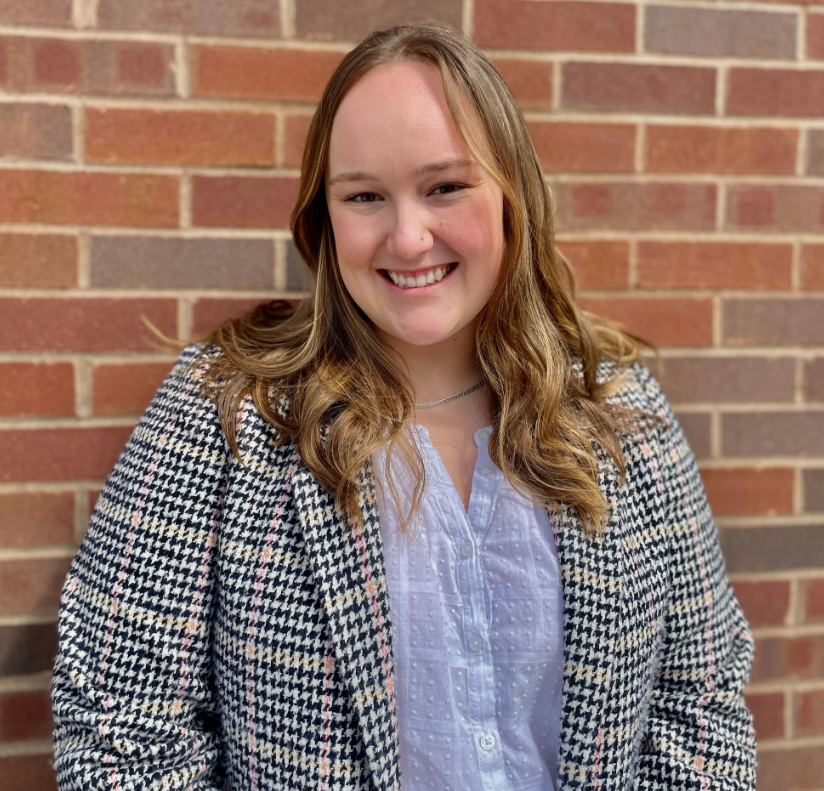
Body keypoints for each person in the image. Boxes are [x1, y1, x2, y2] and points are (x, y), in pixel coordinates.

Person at [51, 23, 757, 791]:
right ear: (326, 218)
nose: (408, 236)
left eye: (445, 186)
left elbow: (702, 703)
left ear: (512, 194)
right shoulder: (225, 414)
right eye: (365, 196)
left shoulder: (621, 412)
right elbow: (119, 730)